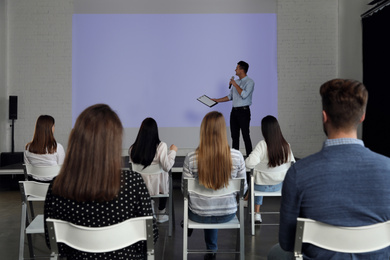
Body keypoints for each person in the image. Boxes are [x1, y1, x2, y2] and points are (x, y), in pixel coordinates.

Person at [268, 79, 390, 259]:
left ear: (324, 116)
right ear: (362, 116)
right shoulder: (387, 168)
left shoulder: (299, 173)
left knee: (275, 253)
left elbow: (287, 242)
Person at [44, 104, 158, 260]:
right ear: (114, 143)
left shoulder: (57, 187)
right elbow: (150, 238)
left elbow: (53, 243)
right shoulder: (134, 184)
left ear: (76, 139)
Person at [182, 111, 248, 260]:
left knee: (207, 205)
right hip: (227, 213)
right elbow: (243, 190)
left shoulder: (191, 158)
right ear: (224, 131)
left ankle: (211, 250)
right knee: (215, 204)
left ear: (203, 131)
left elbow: (184, 192)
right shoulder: (237, 157)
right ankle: (211, 249)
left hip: (198, 214)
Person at [245, 115, 295, 223]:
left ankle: (257, 213)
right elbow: (292, 166)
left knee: (257, 178)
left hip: (260, 188)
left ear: (264, 130)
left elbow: (248, 164)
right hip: (278, 186)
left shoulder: (262, 145)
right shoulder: (286, 146)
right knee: (263, 177)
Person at [129, 117, 178, 223]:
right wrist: (172, 152)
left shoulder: (132, 149)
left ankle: (149, 208)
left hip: (141, 189)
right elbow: (167, 166)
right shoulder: (161, 146)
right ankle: (161, 212)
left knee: (147, 179)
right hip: (159, 188)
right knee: (165, 176)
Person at [211, 61, 254, 156]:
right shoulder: (237, 82)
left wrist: (235, 84)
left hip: (244, 111)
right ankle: (235, 159)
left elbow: (244, 95)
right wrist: (217, 100)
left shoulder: (249, 82)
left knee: (245, 135)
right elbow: (230, 97)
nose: (235, 70)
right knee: (234, 136)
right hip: (234, 112)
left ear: (242, 70)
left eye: (237, 68)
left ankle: (250, 159)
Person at [24, 115, 65, 181]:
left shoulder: (28, 148)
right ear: (51, 128)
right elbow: (62, 170)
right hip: (53, 187)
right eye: (54, 126)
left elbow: (28, 171)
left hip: (35, 187)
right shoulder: (58, 147)